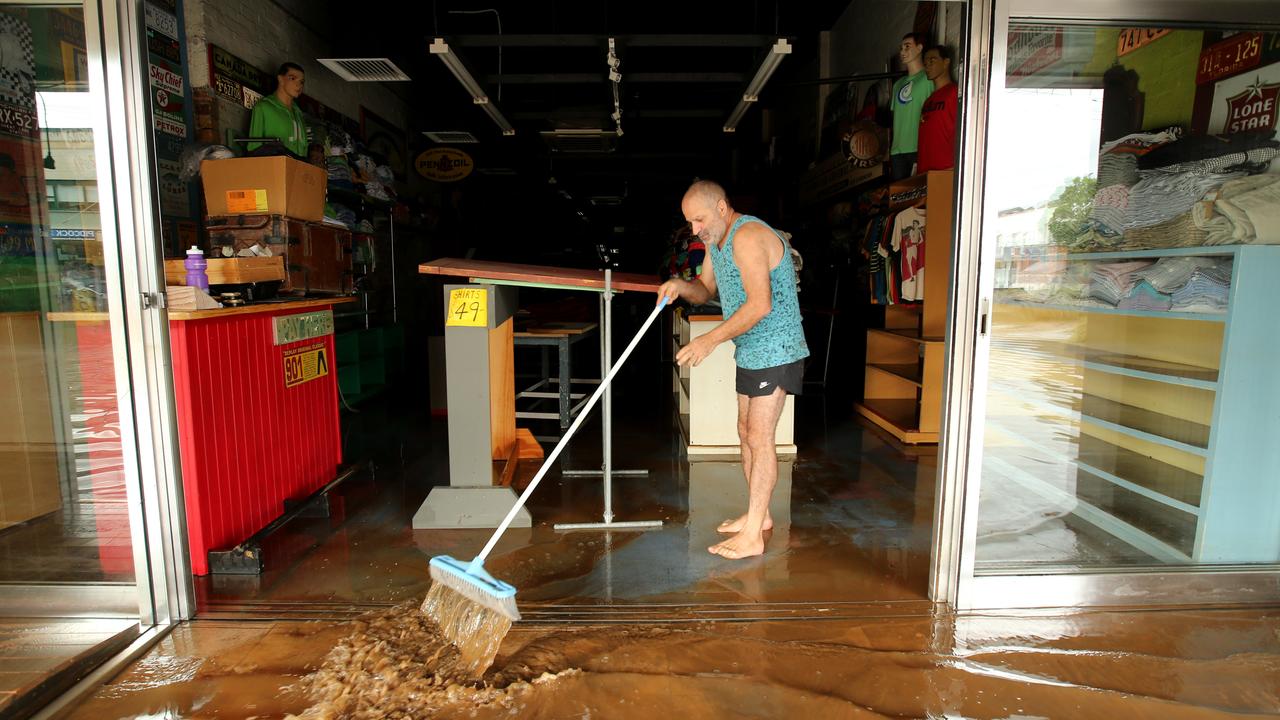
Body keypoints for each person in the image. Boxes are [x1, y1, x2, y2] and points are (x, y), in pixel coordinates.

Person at [657, 180, 809, 559]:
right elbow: (705, 289)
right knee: (745, 431)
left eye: (700, 219)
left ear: (722, 207)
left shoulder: (748, 236)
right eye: (690, 222)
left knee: (759, 436)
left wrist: (709, 340)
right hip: (752, 349)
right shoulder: (716, 241)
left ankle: (754, 534)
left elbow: (760, 305)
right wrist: (679, 284)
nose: (695, 230)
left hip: (778, 349)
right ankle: (760, 516)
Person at [889, 32, 934, 179]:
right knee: (899, 197)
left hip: (919, 147)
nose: (902, 52)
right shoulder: (897, 85)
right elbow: (895, 116)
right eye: (901, 48)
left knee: (919, 195)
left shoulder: (928, 78)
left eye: (907, 47)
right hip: (897, 150)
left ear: (920, 48)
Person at [247, 62, 308, 158]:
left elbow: (304, 150)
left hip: (298, 170)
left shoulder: (298, 114)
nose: (298, 85)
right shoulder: (263, 108)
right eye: (292, 78)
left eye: (301, 82)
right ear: (280, 79)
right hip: (273, 169)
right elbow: (253, 150)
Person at [918, 45, 958, 172]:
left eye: (932, 60)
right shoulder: (927, 101)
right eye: (925, 63)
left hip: (946, 169)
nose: (927, 65)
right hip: (924, 170)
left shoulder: (955, 92)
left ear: (946, 62)